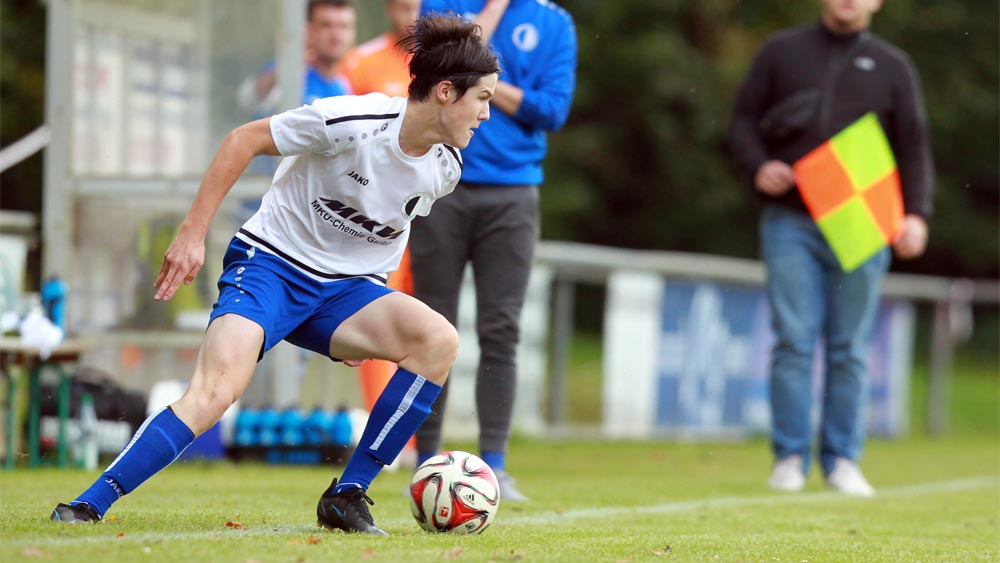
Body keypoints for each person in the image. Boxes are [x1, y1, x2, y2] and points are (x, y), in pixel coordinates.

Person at [50, 14, 500, 536]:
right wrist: (192, 234)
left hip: (344, 292)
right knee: (215, 392)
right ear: (446, 92)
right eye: (482, 98)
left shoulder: (445, 167)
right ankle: (89, 504)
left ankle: (347, 494)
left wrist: (367, 308)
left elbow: (385, 234)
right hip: (270, 267)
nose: (487, 114)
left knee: (438, 341)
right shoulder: (351, 121)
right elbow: (243, 140)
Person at [728, 0, 934, 496]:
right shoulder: (781, 51)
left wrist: (917, 215)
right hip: (791, 221)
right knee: (794, 341)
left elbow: (913, 145)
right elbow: (741, 122)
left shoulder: (893, 66)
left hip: (863, 225)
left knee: (850, 347)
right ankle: (790, 459)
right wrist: (758, 166)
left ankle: (842, 459)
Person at [410, 0, 577, 502]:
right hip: (440, 185)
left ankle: (495, 466)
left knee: (501, 329)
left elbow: (552, 110)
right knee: (428, 326)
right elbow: (427, 78)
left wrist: (480, 85)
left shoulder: (555, 22)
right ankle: (424, 460)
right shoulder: (441, 5)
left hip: (513, 194)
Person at [336, 0, 422, 460]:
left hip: (431, 208)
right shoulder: (362, 62)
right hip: (377, 212)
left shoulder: (443, 63)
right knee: (376, 313)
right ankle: (388, 437)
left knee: (428, 319)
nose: (410, 12)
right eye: (402, 4)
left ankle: (421, 428)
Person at [236, 0, 356, 115]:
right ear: (308, 30)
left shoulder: (343, 87)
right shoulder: (286, 73)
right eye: (326, 25)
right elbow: (248, 99)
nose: (336, 34)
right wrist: (291, 64)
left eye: (343, 26)